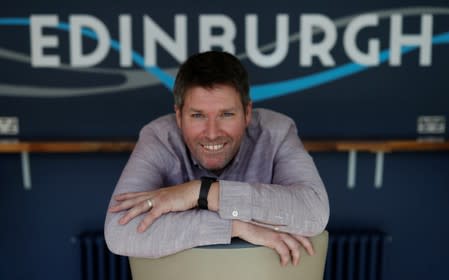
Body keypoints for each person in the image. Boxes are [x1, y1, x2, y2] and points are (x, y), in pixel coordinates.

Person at [105, 51, 329, 267]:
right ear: (179, 116)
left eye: (227, 114)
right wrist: (235, 226)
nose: (212, 133)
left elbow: (314, 211)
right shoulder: (159, 137)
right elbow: (119, 232)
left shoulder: (276, 131)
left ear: (247, 113)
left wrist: (201, 192)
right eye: (198, 115)